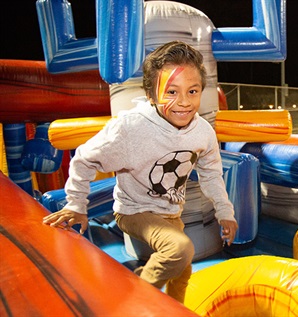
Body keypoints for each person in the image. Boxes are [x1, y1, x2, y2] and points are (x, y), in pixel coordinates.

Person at [42, 41, 238, 303]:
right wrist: (77, 204)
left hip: (171, 213)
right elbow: (84, 159)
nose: (183, 102)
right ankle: (134, 301)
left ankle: (176, 308)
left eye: (192, 91)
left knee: (182, 268)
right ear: (151, 95)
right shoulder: (130, 129)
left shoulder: (202, 132)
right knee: (179, 248)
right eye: (170, 92)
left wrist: (225, 212)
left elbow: (211, 174)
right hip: (134, 210)